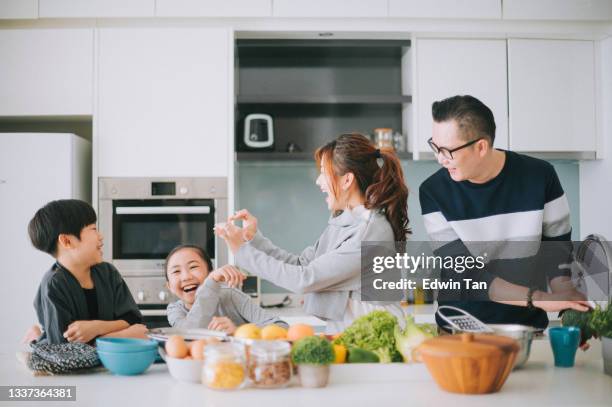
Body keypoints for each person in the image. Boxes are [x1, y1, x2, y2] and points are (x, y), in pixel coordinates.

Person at [419, 95, 589, 330]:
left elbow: (557, 251)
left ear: (481, 147)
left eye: (447, 151)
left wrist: (570, 308)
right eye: (435, 147)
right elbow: (467, 276)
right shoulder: (433, 192)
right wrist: (539, 299)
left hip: (527, 328)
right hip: (461, 329)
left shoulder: (541, 176)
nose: (440, 159)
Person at [215, 133, 410, 333]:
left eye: (324, 172)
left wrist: (242, 251)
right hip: (353, 335)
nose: (318, 181)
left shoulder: (369, 232)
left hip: (377, 339)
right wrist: (253, 239)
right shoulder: (345, 221)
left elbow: (304, 278)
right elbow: (302, 265)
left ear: (347, 180)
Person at [26, 199, 146, 344]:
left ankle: (37, 334)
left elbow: (133, 319)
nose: (101, 236)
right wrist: (122, 334)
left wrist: (96, 327)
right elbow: (64, 348)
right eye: (93, 229)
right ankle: (37, 337)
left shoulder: (108, 272)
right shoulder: (54, 284)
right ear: (66, 241)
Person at [165, 245, 287, 333]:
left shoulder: (230, 295)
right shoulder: (175, 310)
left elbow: (282, 327)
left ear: (210, 273)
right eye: (176, 271)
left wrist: (238, 332)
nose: (186, 276)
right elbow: (189, 334)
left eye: (193, 267)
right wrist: (210, 284)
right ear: (169, 286)